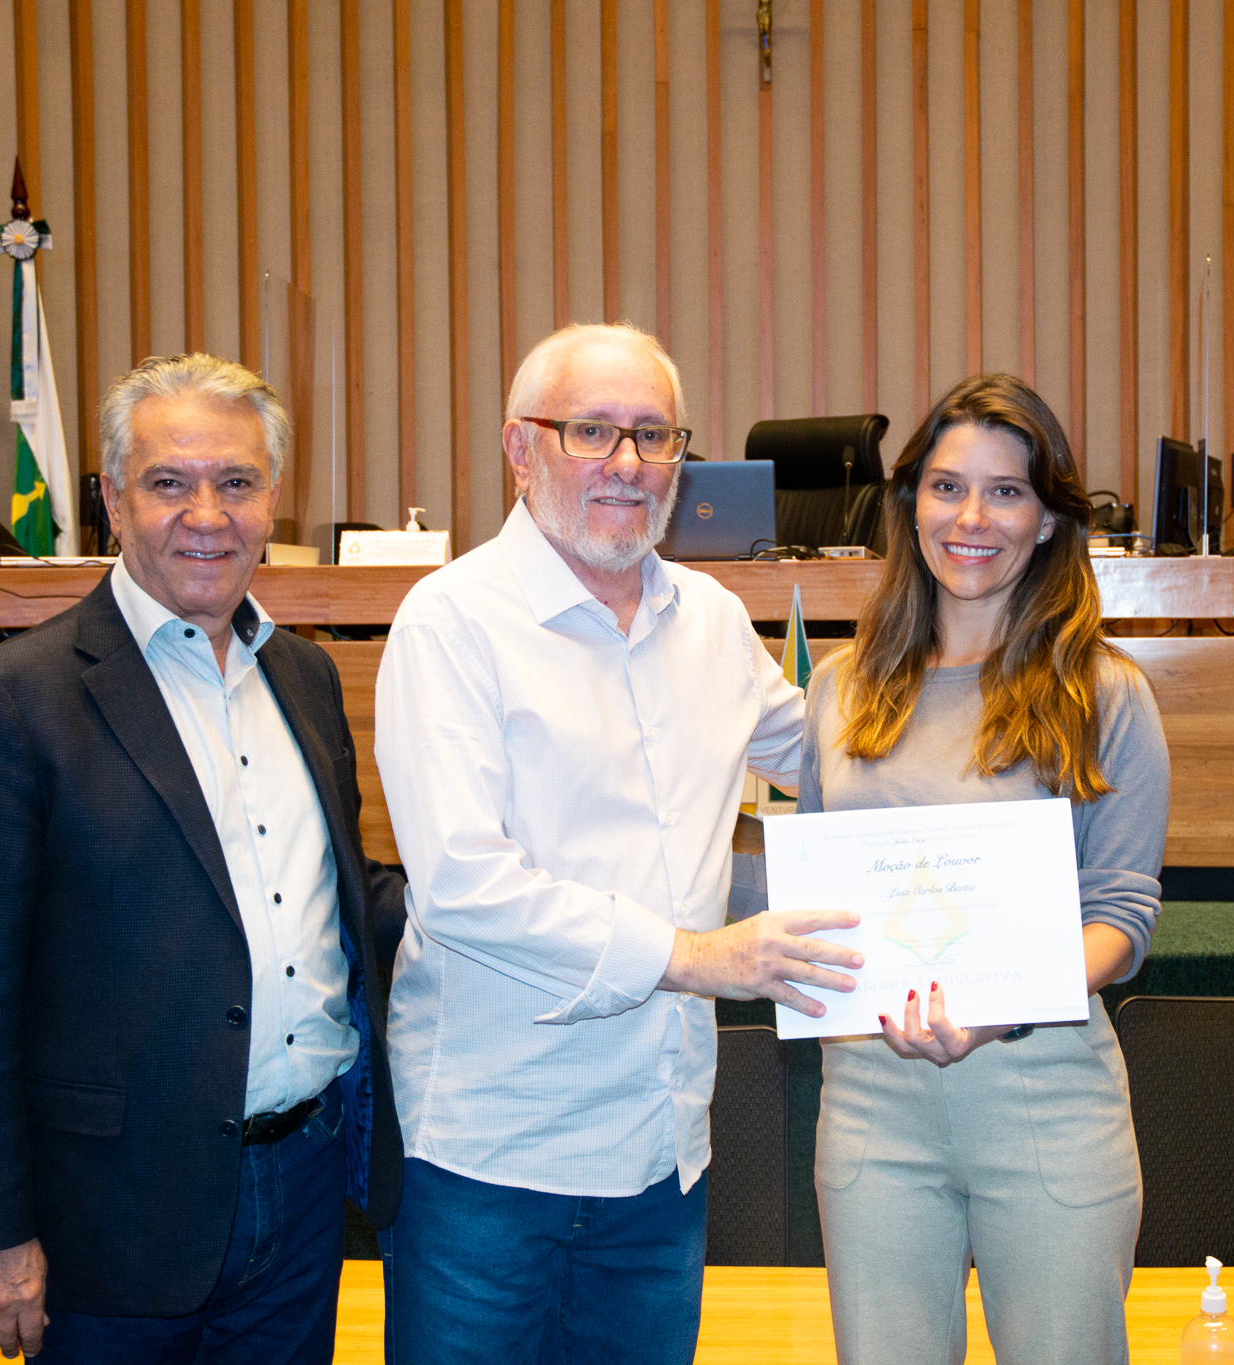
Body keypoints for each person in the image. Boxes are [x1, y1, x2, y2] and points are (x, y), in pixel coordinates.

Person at [0, 353, 409, 1364]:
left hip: (302, 1198)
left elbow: (329, 893)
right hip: (110, 1222)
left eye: (237, 482)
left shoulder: (305, 676)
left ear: (274, 501)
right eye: (168, 483)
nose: (206, 515)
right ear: (109, 501)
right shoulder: (9, 702)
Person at [371, 321, 863, 1364]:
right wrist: (695, 957)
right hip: (490, 1161)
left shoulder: (714, 623)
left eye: (653, 435)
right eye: (590, 430)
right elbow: (462, 885)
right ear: (518, 449)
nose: (627, 465)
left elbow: (835, 758)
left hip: (658, 1155)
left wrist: (983, 676)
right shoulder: (448, 623)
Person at [801, 373, 1170, 1365]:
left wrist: (1001, 1004)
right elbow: (809, 898)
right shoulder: (835, 693)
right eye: (946, 486)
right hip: (872, 1109)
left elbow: (1122, 918)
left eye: (1006, 491)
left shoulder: (1105, 695)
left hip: (1043, 1099)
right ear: (909, 502)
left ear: (1049, 518)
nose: (971, 518)